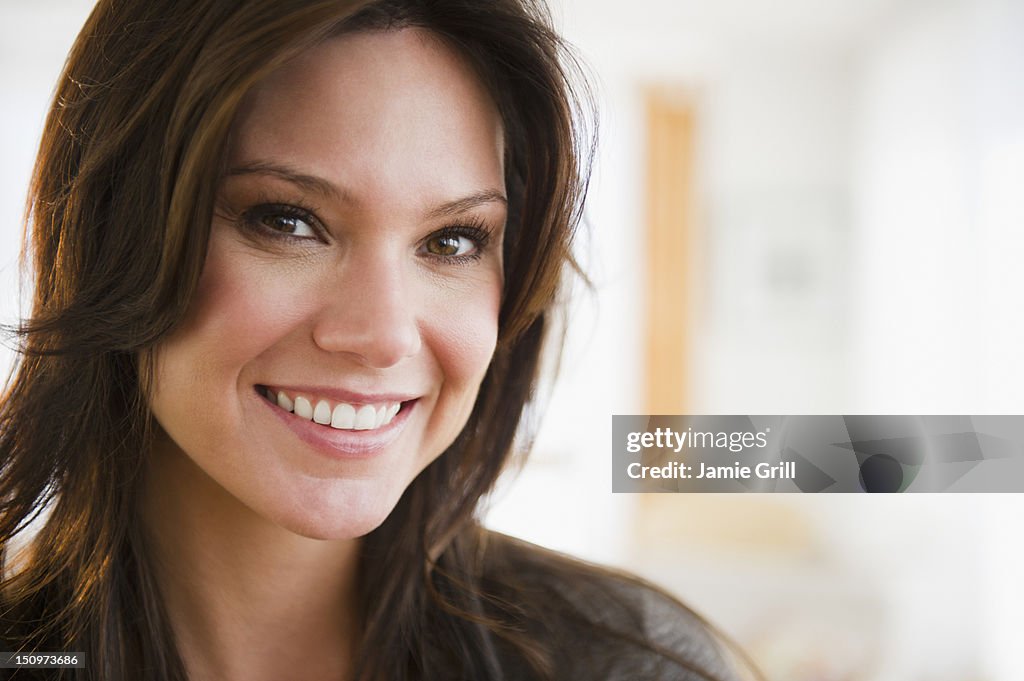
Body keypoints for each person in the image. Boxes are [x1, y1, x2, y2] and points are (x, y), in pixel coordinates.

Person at [0, 1, 749, 679]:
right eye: (287, 221)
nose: (385, 336)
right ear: (109, 232)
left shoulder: (627, 661)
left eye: (451, 240)